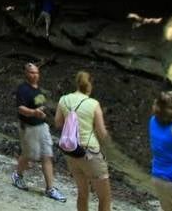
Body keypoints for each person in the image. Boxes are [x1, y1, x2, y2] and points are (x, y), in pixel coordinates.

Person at [55, 71, 111, 211]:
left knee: (83, 193)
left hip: (72, 152)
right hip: (90, 153)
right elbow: (101, 132)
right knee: (105, 197)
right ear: (89, 85)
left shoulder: (64, 100)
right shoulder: (93, 104)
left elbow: (58, 123)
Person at [11, 62, 66, 201]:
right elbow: (20, 108)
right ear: (26, 74)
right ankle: (17, 175)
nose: (35, 75)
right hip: (29, 127)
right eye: (32, 73)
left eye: (36, 73)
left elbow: (42, 105)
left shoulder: (38, 90)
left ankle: (50, 189)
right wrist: (34, 112)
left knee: (47, 155)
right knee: (29, 155)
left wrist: (46, 114)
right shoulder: (22, 89)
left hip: (42, 127)